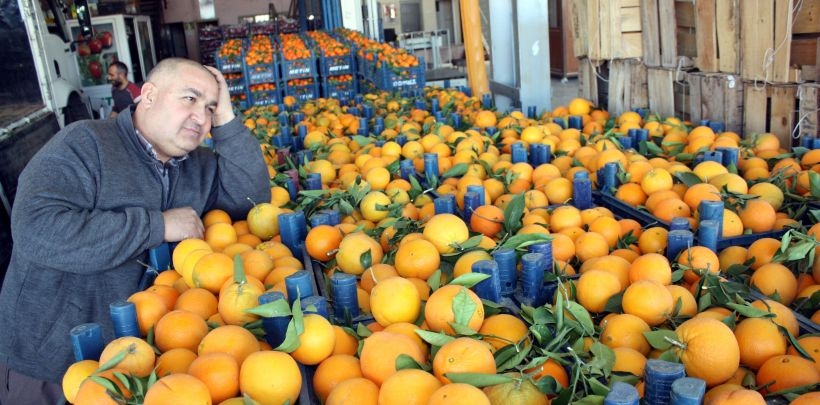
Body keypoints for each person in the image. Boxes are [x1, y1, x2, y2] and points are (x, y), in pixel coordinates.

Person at [0, 58, 270, 403]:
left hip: (141, 364)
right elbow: (36, 228)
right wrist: (156, 224)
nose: (201, 118)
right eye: (189, 99)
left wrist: (227, 120)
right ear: (149, 95)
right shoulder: (85, 144)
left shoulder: (198, 165)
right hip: (51, 363)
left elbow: (252, 197)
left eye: (210, 108)